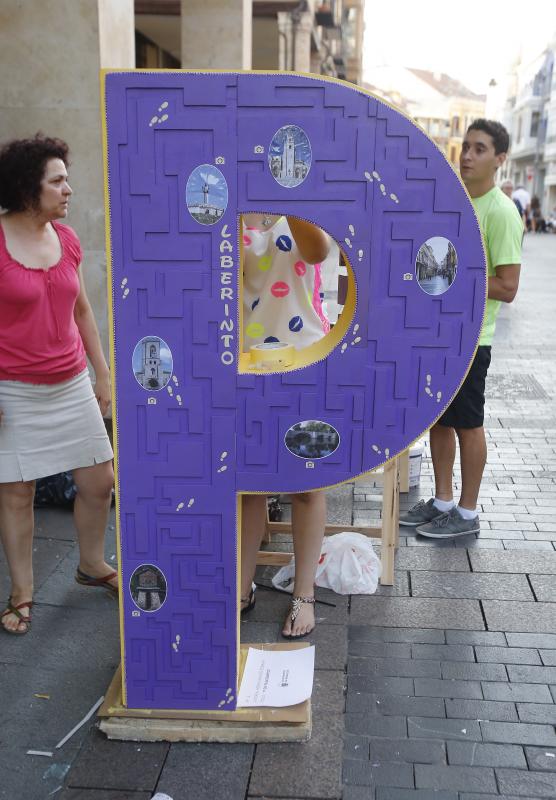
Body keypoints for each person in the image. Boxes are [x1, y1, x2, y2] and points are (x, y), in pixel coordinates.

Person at [0, 134, 116, 635]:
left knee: (100, 483)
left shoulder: (66, 240)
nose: (69, 189)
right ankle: (22, 592)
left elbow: (83, 309)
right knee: (17, 493)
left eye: (67, 179)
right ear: (30, 187)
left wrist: (102, 371)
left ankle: (91, 563)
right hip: (13, 388)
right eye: (58, 181)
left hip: (70, 382)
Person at [400, 119, 522, 539]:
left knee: (468, 423)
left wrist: (457, 276)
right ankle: (443, 500)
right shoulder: (455, 203)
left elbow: (508, 287)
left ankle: (467, 514)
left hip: (474, 339)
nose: (467, 155)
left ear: (499, 160)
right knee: (440, 419)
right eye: (465, 147)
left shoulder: (502, 213)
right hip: (442, 333)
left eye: (480, 149)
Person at [240, 213, 333, 638]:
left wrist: (286, 195)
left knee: (307, 486)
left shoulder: (299, 203)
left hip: (304, 356)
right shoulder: (227, 196)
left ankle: (304, 594)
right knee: (247, 486)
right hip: (244, 358)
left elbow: (317, 251)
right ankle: (242, 588)